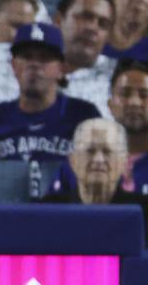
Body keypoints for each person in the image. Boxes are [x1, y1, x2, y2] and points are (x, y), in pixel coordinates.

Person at [0, 24, 100, 163]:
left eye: (44, 57)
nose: (34, 64)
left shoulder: (84, 115)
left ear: (62, 68)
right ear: (13, 66)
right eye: (26, 56)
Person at [41, 118, 148, 236]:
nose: (98, 159)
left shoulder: (144, 212)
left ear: (123, 162)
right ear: (73, 161)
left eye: (107, 151)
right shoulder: (47, 211)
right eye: (90, 151)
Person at [57, 58, 148, 195]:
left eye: (144, 95)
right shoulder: (79, 163)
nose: (134, 102)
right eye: (125, 94)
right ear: (110, 105)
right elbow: (52, 212)